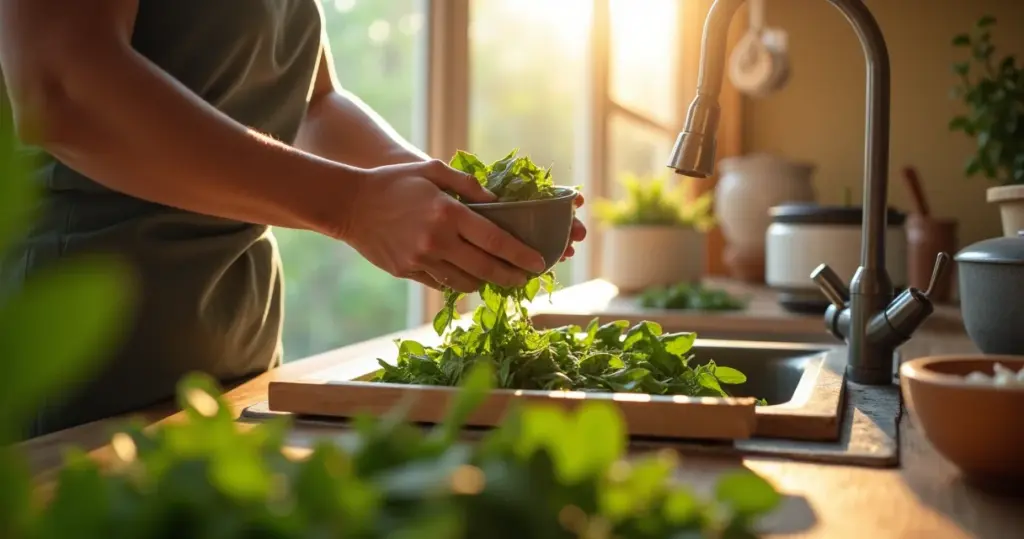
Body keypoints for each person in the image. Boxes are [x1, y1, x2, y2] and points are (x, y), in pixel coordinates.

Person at [0, 0, 586, 439]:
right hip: (74, 362)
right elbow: (60, 86)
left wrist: (450, 197)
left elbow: (314, 103)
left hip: (236, 364)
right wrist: (353, 207)